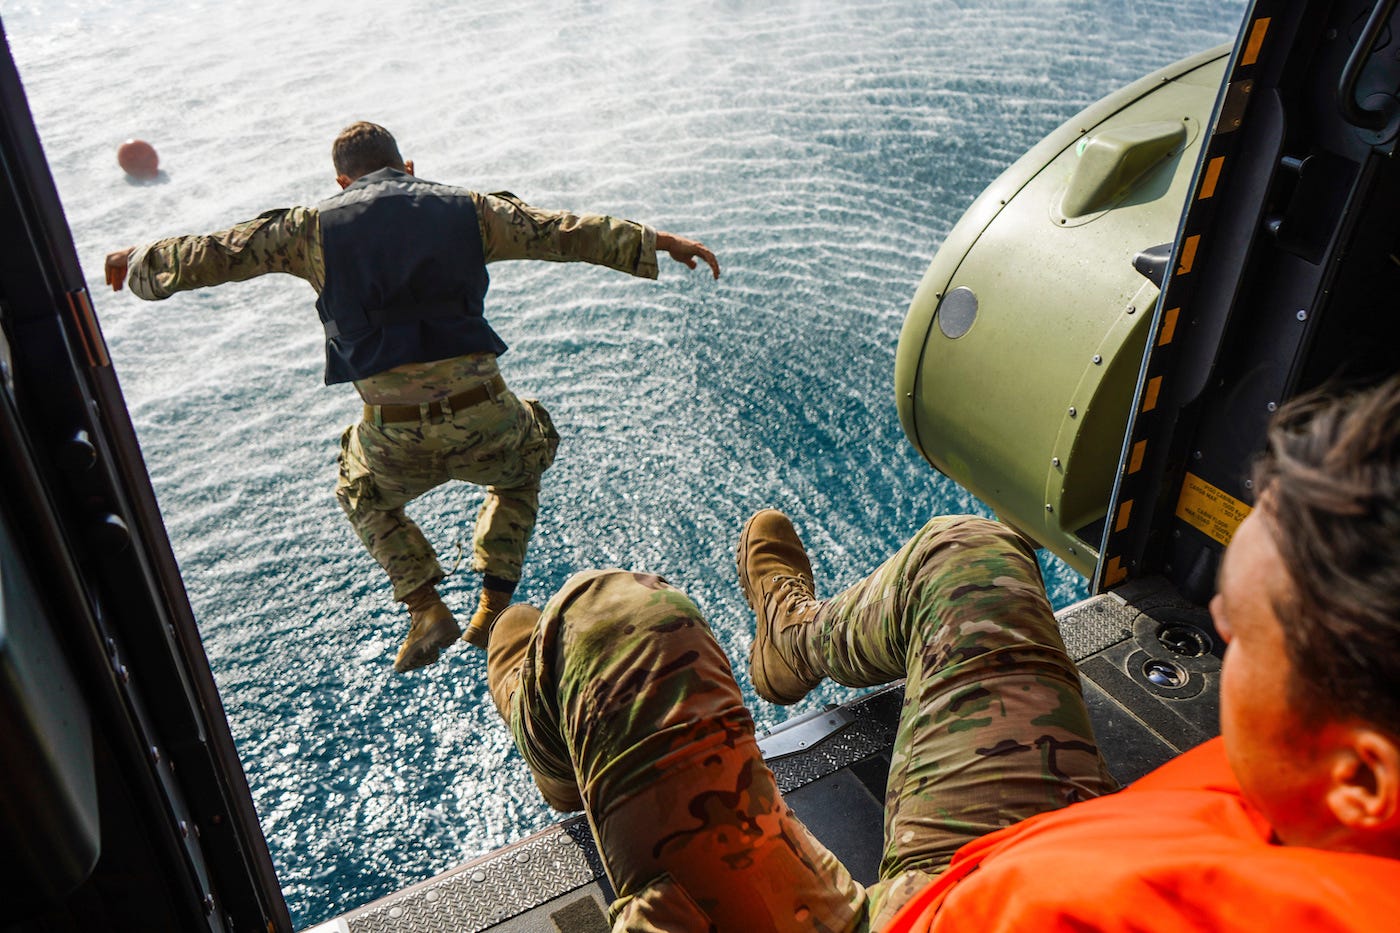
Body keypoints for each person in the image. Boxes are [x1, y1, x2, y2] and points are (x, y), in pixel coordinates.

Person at [482, 374, 1400, 931]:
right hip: (1032, 861)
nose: (1218, 638)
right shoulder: (1344, 818)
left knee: (618, 623)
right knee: (971, 551)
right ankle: (788, 642)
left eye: (1239, 635)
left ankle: (561, 757)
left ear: (1360, 775)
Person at [104, 121, 720, 674]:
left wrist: (137, 262)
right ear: (409, 168)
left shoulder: (308, 230)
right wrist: (661, 241)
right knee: (526, 454)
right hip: (484, 415)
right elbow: (561, 232)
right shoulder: (469, 211)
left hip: (394, 434)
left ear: (341, 180)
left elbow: (212, 254)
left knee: (359, 488)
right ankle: (494, 606)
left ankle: (426, 607)